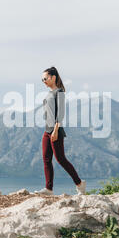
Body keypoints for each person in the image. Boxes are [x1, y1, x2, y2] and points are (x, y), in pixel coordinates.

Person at [34, 66, 86, 195]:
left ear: (53, 77)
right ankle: (48, 189)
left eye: (45, 78)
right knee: (46, 159)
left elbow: (60, 113)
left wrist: (56, 130)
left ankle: (79, 183)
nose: (43, 81)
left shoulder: (60, 92)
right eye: (42, 79)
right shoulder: (49, 93)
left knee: (60, 159)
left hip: (55, 129)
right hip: (47, 130)